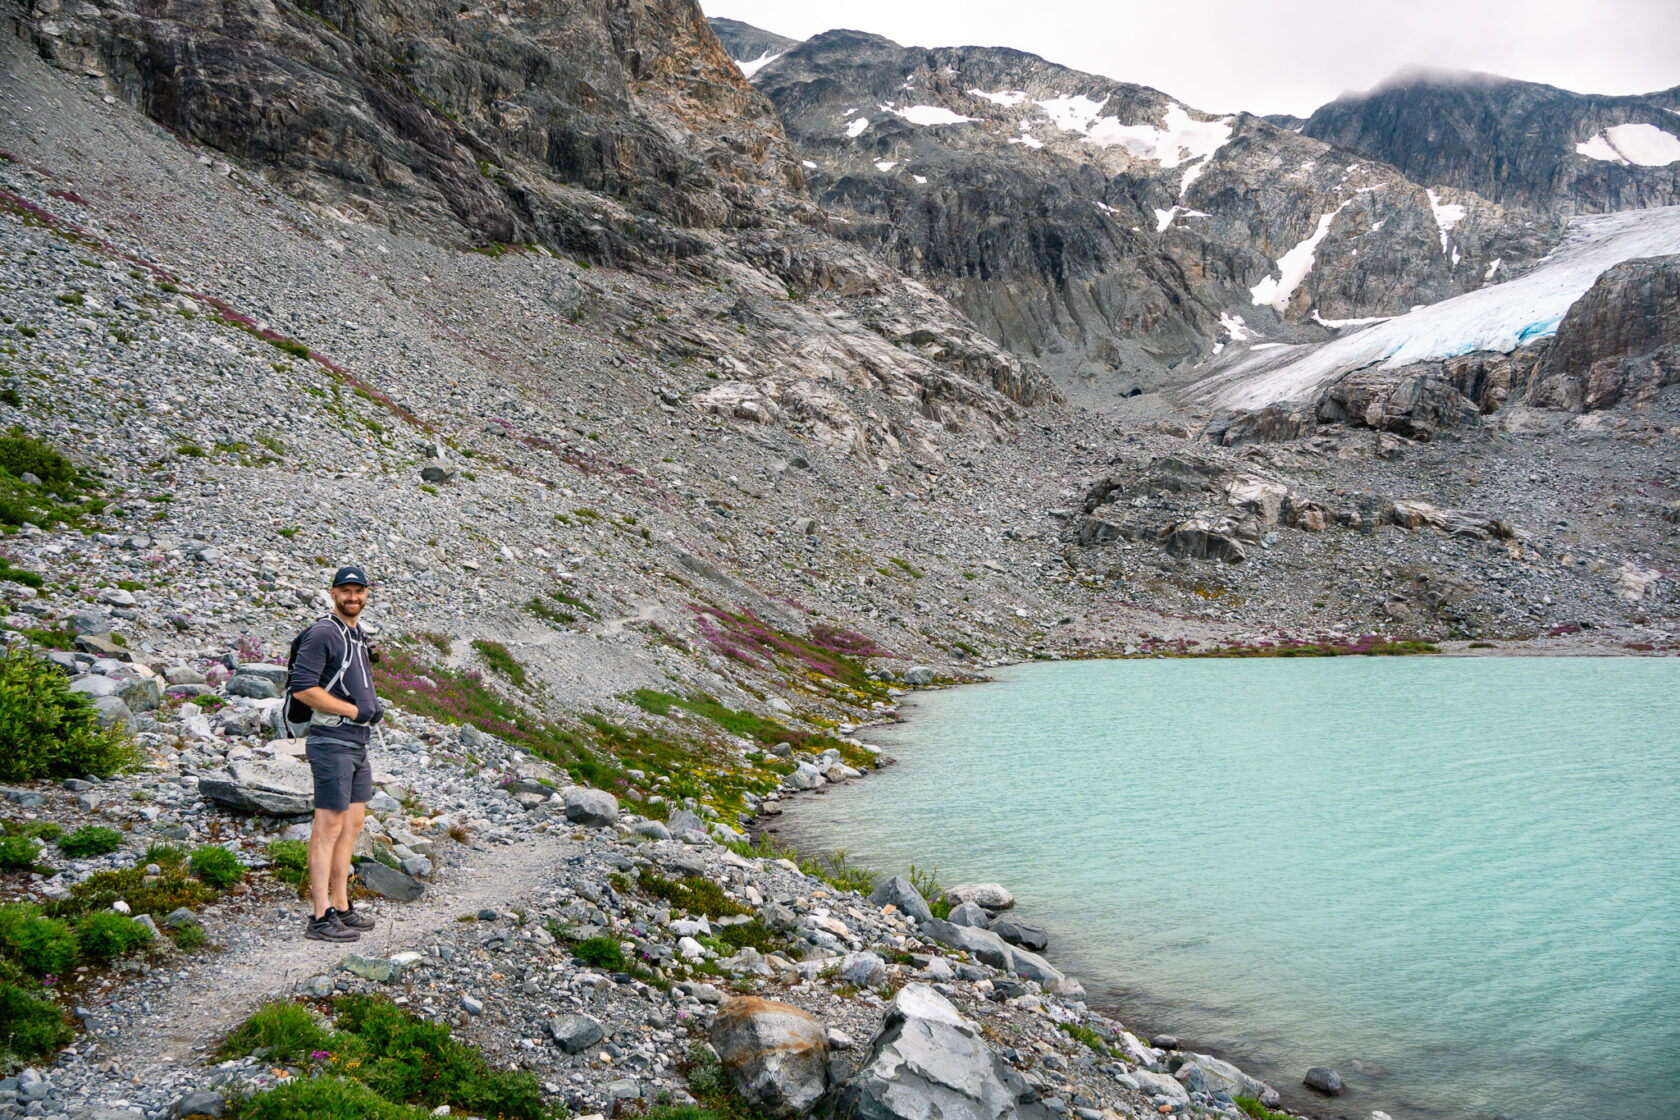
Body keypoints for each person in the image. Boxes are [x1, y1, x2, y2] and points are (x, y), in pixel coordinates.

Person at [289, 565, 385, 942]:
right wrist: (353, 710)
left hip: (357, 742)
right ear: (332, 593)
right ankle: (319, 916)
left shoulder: (356, 634)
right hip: (331, 741)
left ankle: (342, 907)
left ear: (366, 595)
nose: (352, 597)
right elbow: (302, 688)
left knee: (352, 825)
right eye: (345, 590)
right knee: (328, 826)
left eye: (358, 591)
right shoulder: (325, 632)